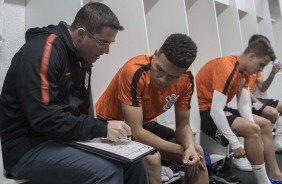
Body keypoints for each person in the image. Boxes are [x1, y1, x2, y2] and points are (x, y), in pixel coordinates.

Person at [0, 2, 148, 184]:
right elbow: (44, 118)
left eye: (111, 43)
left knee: (134, 162)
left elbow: (79, 112)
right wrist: (101, 128)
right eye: (103, 42)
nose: (107, 51)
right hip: (27, 148)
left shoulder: (82, 59)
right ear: (81, 34)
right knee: (107, 172)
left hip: (61, 140)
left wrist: (103, 133)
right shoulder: (44, 51)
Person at [96, 34, 209, 184]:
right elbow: (135, 132)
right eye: (160, 69)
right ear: (155, 55)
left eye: (172, 77)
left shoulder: (186, 80)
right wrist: (179, 151)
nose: (162, 79)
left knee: (197, 155)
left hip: (143, 123)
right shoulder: (135, 71)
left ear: (183, 72)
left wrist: (189, 147)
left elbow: (183, 126)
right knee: (152, 159)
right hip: (110, 125)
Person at [196, 37, 282, 184]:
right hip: (202, 112)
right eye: (261, 65)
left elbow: (243, 105)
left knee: (263, 125)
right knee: (253, 130)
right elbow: (215, 111)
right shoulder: (226, 67)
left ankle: (274, 175)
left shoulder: (245, 72)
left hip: (218, 108)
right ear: (252, 57)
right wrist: (235, 144)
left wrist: (255, 132)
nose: (261, 70)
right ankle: (264, 182)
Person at [247, 34, 282, 152]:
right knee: (272, 113)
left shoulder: (258, 65)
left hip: (253, 99)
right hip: (246, 100)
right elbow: (243, 90)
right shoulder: (247, 63)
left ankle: (278, 142)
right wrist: (261, 105)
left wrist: (272, 74)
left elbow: (262, 87)